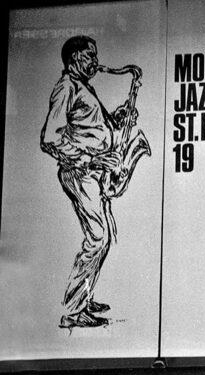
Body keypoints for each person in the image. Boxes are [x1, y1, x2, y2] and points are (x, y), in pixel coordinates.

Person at [41, 36, 134, 329]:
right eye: (90, 56)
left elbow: (89, 127)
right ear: (73, 59)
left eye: (95, 56)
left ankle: (84, 296)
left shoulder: (83, 87)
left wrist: (117, 118)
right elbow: (50, 138)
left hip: (92, 174)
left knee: (103, 238)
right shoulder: (66, 87)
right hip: (80, 172)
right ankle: (73, 310)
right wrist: (91, 160)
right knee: (98, 238)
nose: (96, 62)